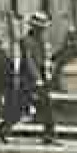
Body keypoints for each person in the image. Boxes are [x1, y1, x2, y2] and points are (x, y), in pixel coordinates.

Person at [19, 13, 58, 145]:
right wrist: (38, 79)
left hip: (40, 77)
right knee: (20, 108)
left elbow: (45, 59)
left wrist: (48, 69)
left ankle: (49, 136)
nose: (42, 30)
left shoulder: (41, 40)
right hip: (29, 78)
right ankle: (3, 129)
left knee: (47, 106)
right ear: (34, 27)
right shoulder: (26, 40)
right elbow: (30, 62)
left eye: (43, 28)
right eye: (40, 28)